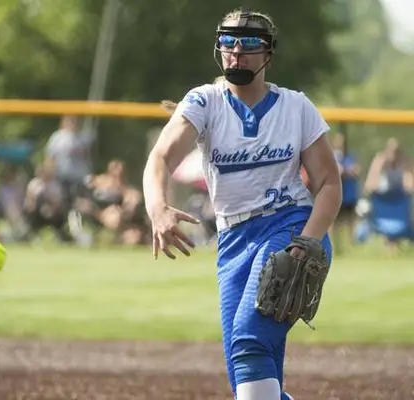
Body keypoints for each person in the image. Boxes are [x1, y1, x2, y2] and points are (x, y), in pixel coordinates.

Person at [142, 9, 341, 400]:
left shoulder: (296, 106)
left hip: (289, 227)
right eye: (228, 42)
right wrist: (158, 208)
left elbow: (329, 183)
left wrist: (308, 240)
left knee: (249, 342)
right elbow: (161, 158)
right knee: (244, 373)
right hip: (232, 239)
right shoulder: (205, 102)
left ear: (268, 53)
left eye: (249, 43)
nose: (237, 52)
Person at [331, 132, 360, 246]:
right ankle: (334, 245)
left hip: (349, 195)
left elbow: (356, 170)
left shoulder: (350, 157)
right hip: (336, 194)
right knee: (334, 222)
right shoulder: (332, 156)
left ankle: (351, 245)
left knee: (350, 221)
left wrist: (346, 171)